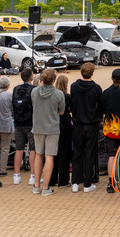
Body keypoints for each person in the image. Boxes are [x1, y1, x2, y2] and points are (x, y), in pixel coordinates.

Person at [29, 68, 64, 196]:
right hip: (52, 128)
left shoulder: (34, 91)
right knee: (49, 156)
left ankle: (36, 186)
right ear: (54, 80)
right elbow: (62, 111)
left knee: (39, 154)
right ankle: (45, 188)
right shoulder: (59, 94)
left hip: (38, 127)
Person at [70, 62, 103, 193]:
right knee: (89, 154)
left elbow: (72, 104)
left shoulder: (74, 86)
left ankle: (75, 182)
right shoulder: (96, 88)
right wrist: (98, 116)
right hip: (91, 124)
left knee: (77, 153)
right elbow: (100, 107)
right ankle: (88, 183)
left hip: (77, 123)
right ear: (92, 73)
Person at [101, 69, 120, 194]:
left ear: (112, 78)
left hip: (110, 129)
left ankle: (111, 182)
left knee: (112, 156)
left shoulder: (106, 93)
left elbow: (102, 110)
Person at [12, 67, 36, 186]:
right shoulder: (33, 89)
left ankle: (16, 175)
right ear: (31, 77)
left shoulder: (16, 89)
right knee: (32, 150)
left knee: (19, 149)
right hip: (30, 123)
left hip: (18, 123)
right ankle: (33, 175)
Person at [49, 74, 73, 188]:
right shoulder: (67, 97)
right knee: (65, 153)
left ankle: (52, 179)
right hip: (65, 126)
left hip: (54, 125)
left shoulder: (53, 96)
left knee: (53, 153)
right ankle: (63, 180)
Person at [0, 76, 13, 179]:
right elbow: (12, 110)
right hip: (6, 123)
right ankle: (2, 170)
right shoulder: (9, 95)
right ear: (7, 85)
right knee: (5, 148)